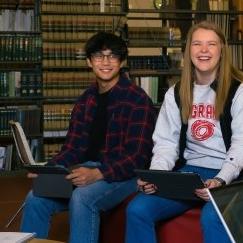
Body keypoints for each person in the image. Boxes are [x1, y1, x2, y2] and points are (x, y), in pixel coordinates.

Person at [125, 21, 243, 243]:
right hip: (190, 173)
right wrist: (157, 175)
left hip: (233, 172)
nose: (204, 50)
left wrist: (221, 180)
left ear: (222, 50)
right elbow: (166, 143)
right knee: (137, 209)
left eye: (211, 44)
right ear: (188, 50)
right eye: (197, 44)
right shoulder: (176, 93)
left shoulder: (242, 91)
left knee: (213, 216)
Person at [19, 32, 156, 243]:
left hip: (125, 175)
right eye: (99, 56)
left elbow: (138, 157)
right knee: (35, 197)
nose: (106, 62)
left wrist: (98, 174)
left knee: (82, 197)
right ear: (89, 61)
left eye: (112, 57)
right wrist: (47, 170)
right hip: (87, 169)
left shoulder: (138, 100)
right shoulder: (85, 100)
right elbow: (72, 149)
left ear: (121, 62)